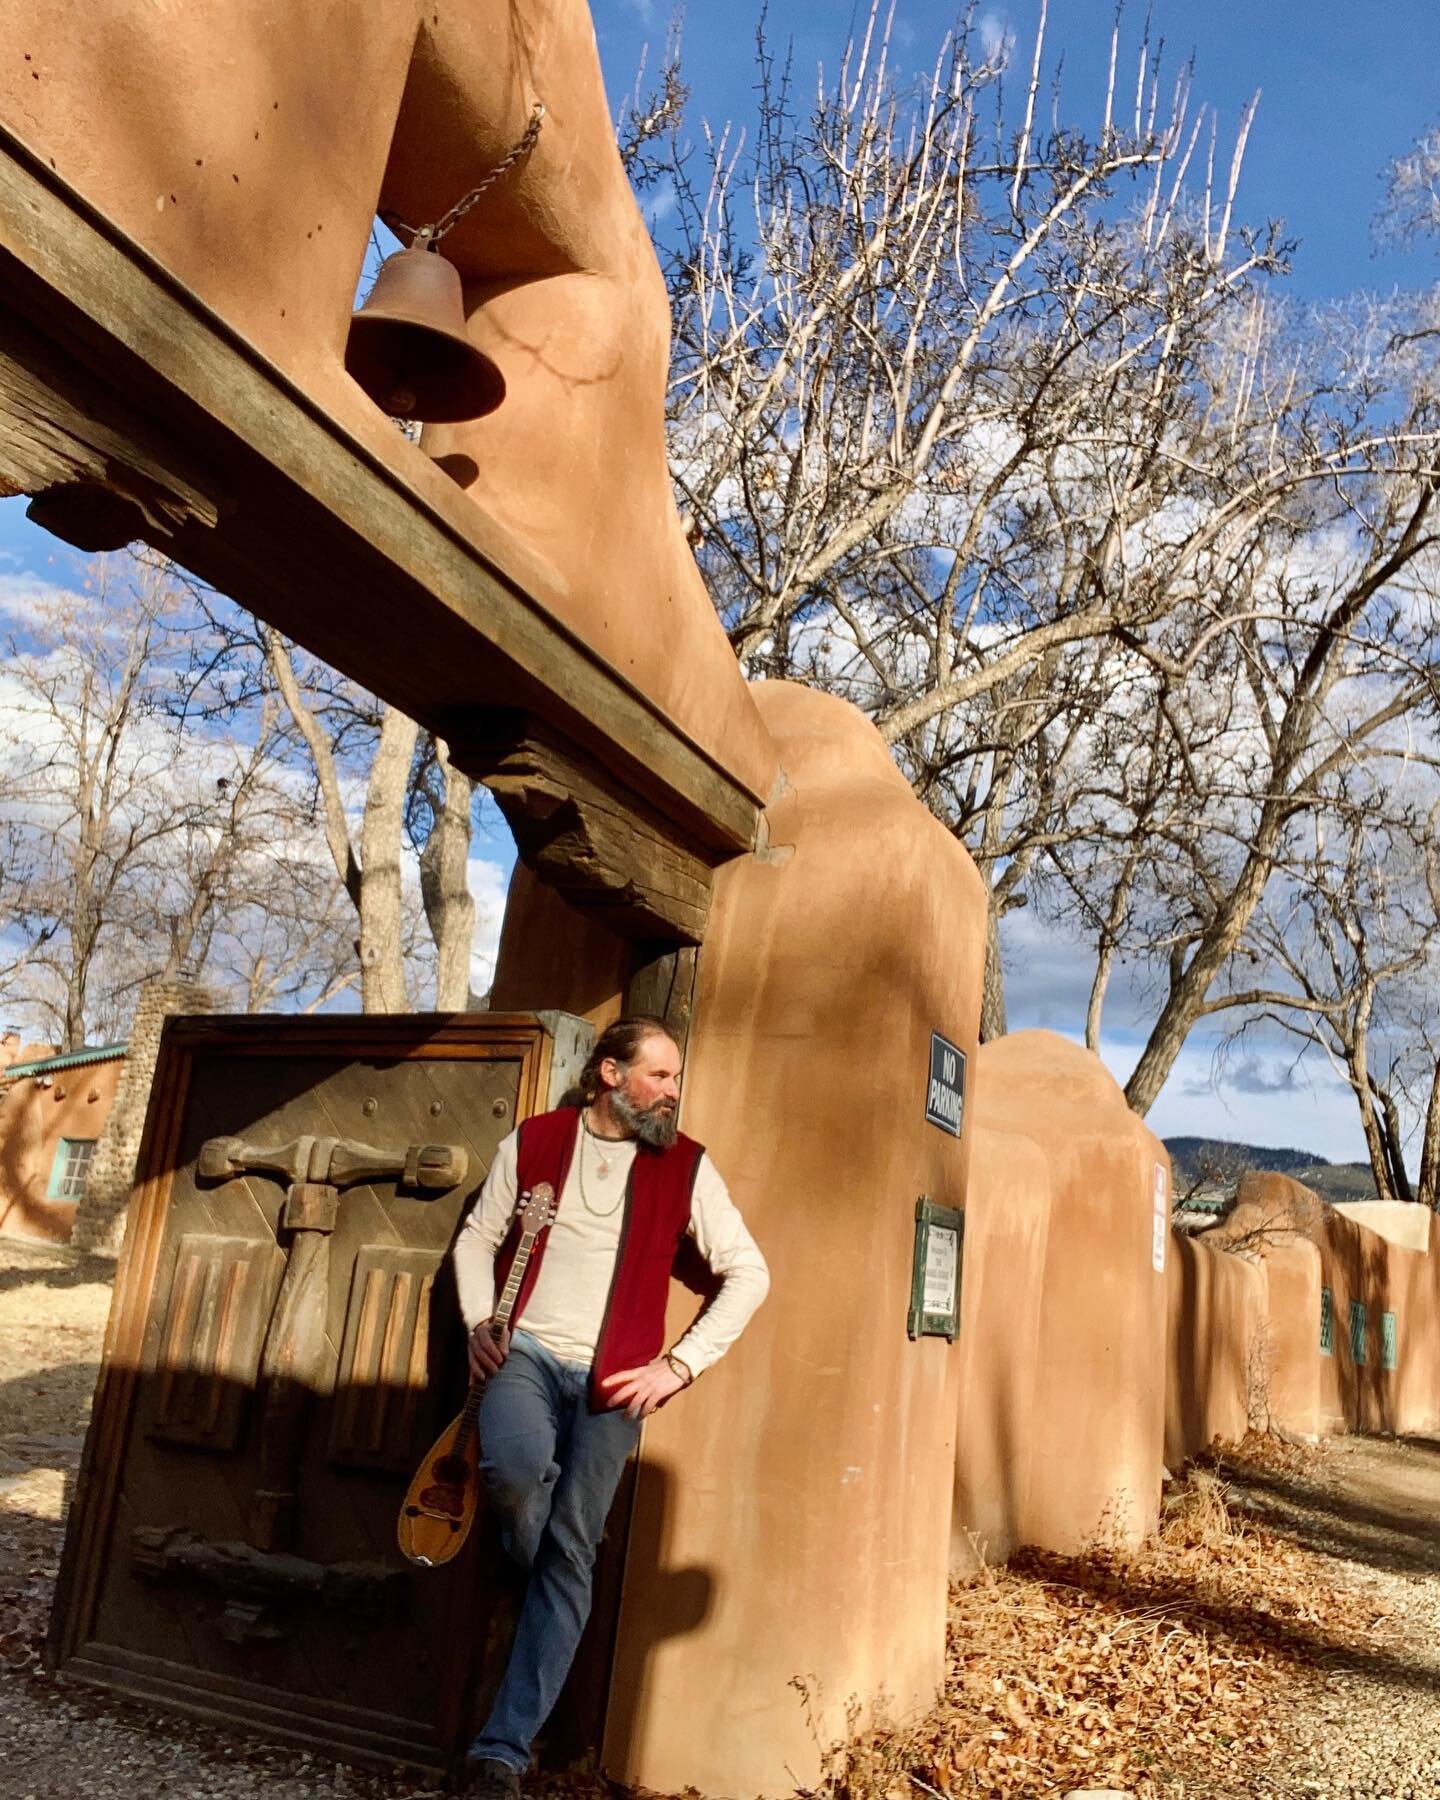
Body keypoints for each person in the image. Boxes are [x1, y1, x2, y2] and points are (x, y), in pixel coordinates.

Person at [452, 1014, 770, 1798]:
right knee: (520, 1477)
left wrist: (678, 1366)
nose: (672, 1091)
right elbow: (474, 1238)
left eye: (674, 1078)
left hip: (616, 1385)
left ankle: (502, 1750)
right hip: (523, 1354)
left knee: (574, 1550)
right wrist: (476, 1319)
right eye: (658, 1075)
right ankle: (549, 1573)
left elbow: (749, 1273)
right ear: (610, 1074)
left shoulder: (687, 1166)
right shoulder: (534, 1142)